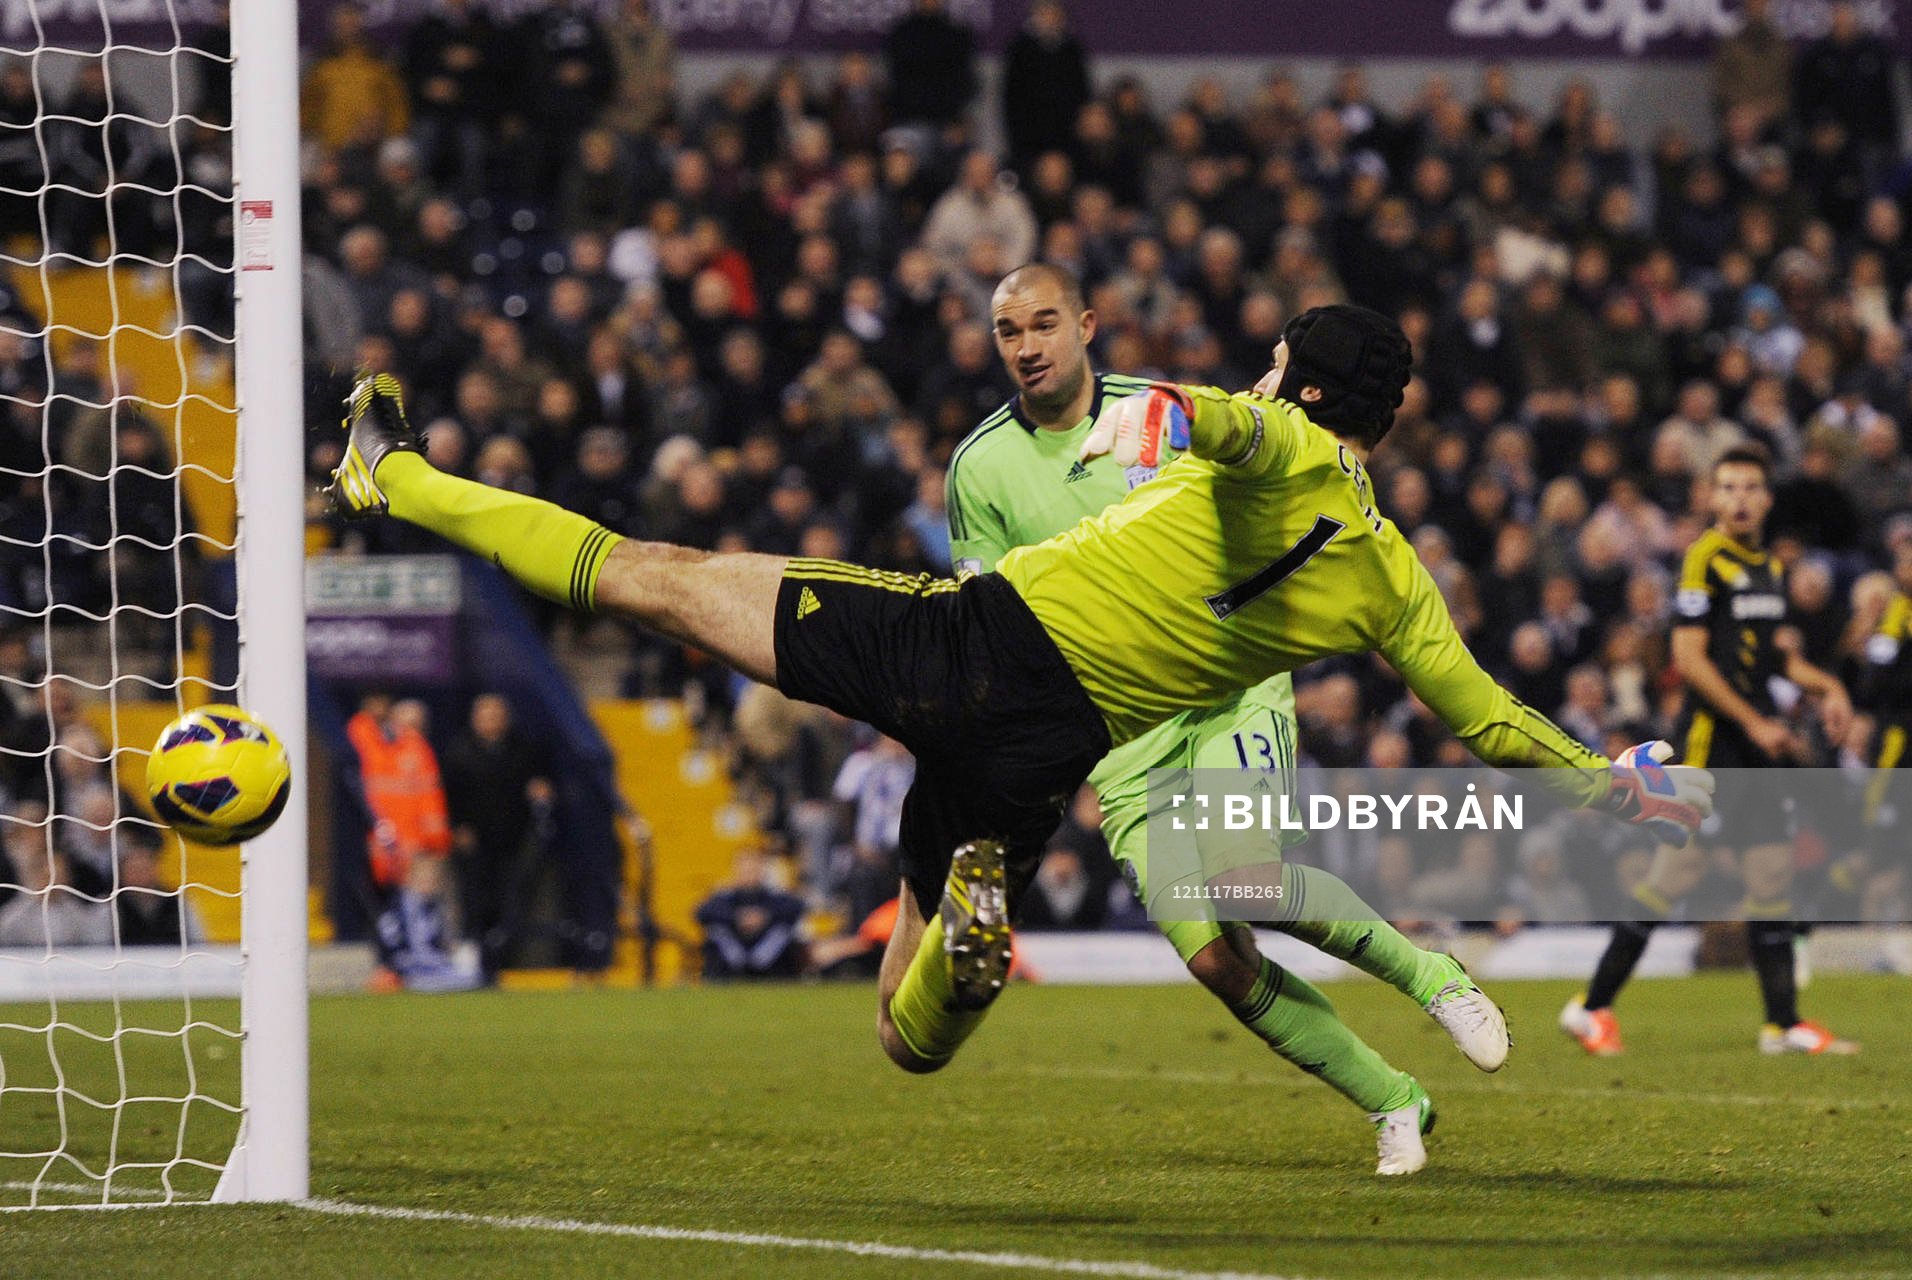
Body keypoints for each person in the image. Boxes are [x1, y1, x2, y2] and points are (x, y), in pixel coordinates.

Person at [327, 308, 1712, 1167]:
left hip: (972, 645)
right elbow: (1485, 715)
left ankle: (396, 477)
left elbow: (1216, 420)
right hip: (1055, 747)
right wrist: (1613, 787)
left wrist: (1156, 422)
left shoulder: (1273, 438)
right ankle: (970, 950)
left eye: (1281, 360)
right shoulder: (1395, 579)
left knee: (655, 573)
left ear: (1303, 384)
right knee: (904, 1030)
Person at [948, 264, 1507, 1173]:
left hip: (1222, 688)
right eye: (1009, 332)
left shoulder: (1160, 410)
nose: (1028, 346)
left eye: (1044, 324)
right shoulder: (977, 469)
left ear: (1085, 327)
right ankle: (1394, 1099)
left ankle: (1434, 979)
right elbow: (987, 614)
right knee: (1214, 959)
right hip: (1119, 732)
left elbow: (1258, 480)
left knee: (1247, 880)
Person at [1561, 446, 1858, 1057]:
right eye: (1728, 487)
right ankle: (1590, 1008)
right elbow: (1690, 659)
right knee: (1675, 875)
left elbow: (1777, 655)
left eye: (1752, 487)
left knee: (1770, 874)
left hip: (1752, 745)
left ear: (1767, 498)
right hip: (1712, 743)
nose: (1741, 498)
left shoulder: (1768, 568)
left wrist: (1828, 685)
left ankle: (1782, 1024)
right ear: (1712, 498)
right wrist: (1755, 722)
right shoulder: (1704, 560)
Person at [441, 692, 554, 982]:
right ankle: (472, 964)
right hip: (474, 843)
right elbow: (449, 795)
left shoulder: (522, 749)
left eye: (496, 715)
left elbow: (539, 783)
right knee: (475, 903)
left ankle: (501, 963)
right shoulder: (459, 752)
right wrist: (457, 827)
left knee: (510, 902)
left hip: (511, 840)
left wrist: (539, 791)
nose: (490, 721)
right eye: (485, 715)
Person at [696, 848, 808, 980]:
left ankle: (762, 968)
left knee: (783, 931)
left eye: (754, 869)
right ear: (736, 870)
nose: (750, 874)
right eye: (746, 869)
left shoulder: (774, 895)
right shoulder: (724, 895)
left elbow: (796, 907)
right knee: (717, 931)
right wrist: (737, 918)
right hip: (732, 953)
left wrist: (765, 917)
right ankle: (736, 969)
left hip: (769, 956)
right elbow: (702, 912)